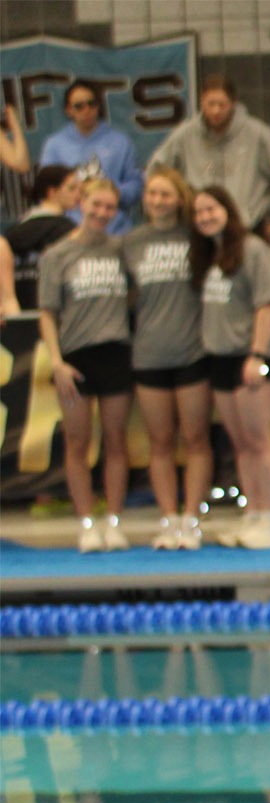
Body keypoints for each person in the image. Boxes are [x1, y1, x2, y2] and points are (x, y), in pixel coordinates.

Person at [191, 184, 270, 549]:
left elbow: (266, 304)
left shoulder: (253, 249)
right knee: (241, 444)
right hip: (220, 359)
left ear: (228, 210)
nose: (205, 217)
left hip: (252, 357)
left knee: (260, 439)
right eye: (199, 212)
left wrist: (257, 355)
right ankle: (254, 514)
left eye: (211, 209)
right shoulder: (211, 256)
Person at [38, 179, 134, 552]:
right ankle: (86, 523)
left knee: (116, 441)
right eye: (96, 205)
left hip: (115, 352)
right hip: (75, 358)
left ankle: (113, 520)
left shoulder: (121, 250)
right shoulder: (57, 255)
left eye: (109, 208)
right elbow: (47, 313)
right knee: (77, 442)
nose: (101, 213)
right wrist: (57, 361)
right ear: (81, 202)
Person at [123, 167, 212, 550]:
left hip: (193, 351)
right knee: (159, 441)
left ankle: (191, 519)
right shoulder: (131, 243)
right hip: (149, 354)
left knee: (195, 438)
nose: (158, 201)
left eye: (165, 194)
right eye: (152, 194)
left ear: (179, 198)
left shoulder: (198, 237)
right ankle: (168, 518)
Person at [149, 74, 270, 229]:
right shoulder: (185, 135)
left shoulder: (255, 133)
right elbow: (155, 171)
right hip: (199, 227)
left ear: (233, 103)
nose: (216, 111)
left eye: (222, 104)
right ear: (201, 102)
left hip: (245, 227)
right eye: (210, 104)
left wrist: (267, 204)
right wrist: (181, 202)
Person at [39, 80, 143, 234]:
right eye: (79, 106)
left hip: (115, 229)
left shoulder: (120, 141)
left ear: (99, 106)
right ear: (68, 110)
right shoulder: (55, 145)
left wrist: (113, 193)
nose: (86, 110)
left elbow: (136, 184)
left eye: (91, 103)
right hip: (69, 230)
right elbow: (47, 191)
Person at [1, 165, 82, 315]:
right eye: (72, 188)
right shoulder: (71, 232)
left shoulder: (12, 233)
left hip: (19, 312)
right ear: (52, 192)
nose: (79, 194)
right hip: (57, 311)